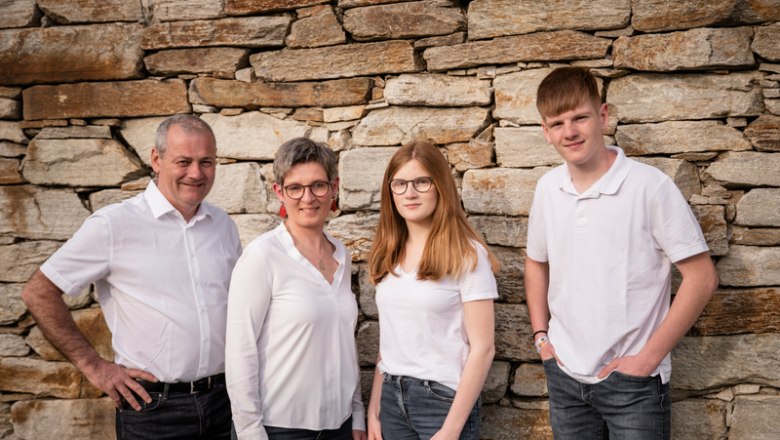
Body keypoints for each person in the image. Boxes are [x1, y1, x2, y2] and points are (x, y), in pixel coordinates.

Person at [525, 66, 719, 439]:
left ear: (602, 115)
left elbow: (702, 278)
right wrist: (541, 339)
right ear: (545, 132)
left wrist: (647, 360)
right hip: (565, 377)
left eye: (580, 117)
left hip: (634, 386)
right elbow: (536, 263)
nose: (570, 131)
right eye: (557, 123)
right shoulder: (548, 188)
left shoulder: (650, 187)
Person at [21, 114, 242, 439]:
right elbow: (38, 292)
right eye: (183, 161)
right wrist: (94, 367)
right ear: (156, 159)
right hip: (152, 408)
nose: (196, 173)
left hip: (223, 402)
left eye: (206, 162)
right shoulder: (114, 225)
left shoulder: (223, 225)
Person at [225, 138, 367, 440]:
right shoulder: (263, 256)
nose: (308, 198)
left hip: (339, 427)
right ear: (280, 192)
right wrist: (251, 433)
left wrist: (357, 415)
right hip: (280, 430)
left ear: (334, 187)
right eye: (295, 188)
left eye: (318, 185)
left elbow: (344, 343)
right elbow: (240, 351)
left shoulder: (342, 254)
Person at [366, 140, 499, 440]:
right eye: (399, 183)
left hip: (441, 402)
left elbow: (483, 348)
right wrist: (374, 408)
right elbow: (390, 342)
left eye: (421, 182)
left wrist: (451, 430)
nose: (409, 193)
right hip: (391, 399)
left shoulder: (467, 255)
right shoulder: (388, 254)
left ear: (439, 186)